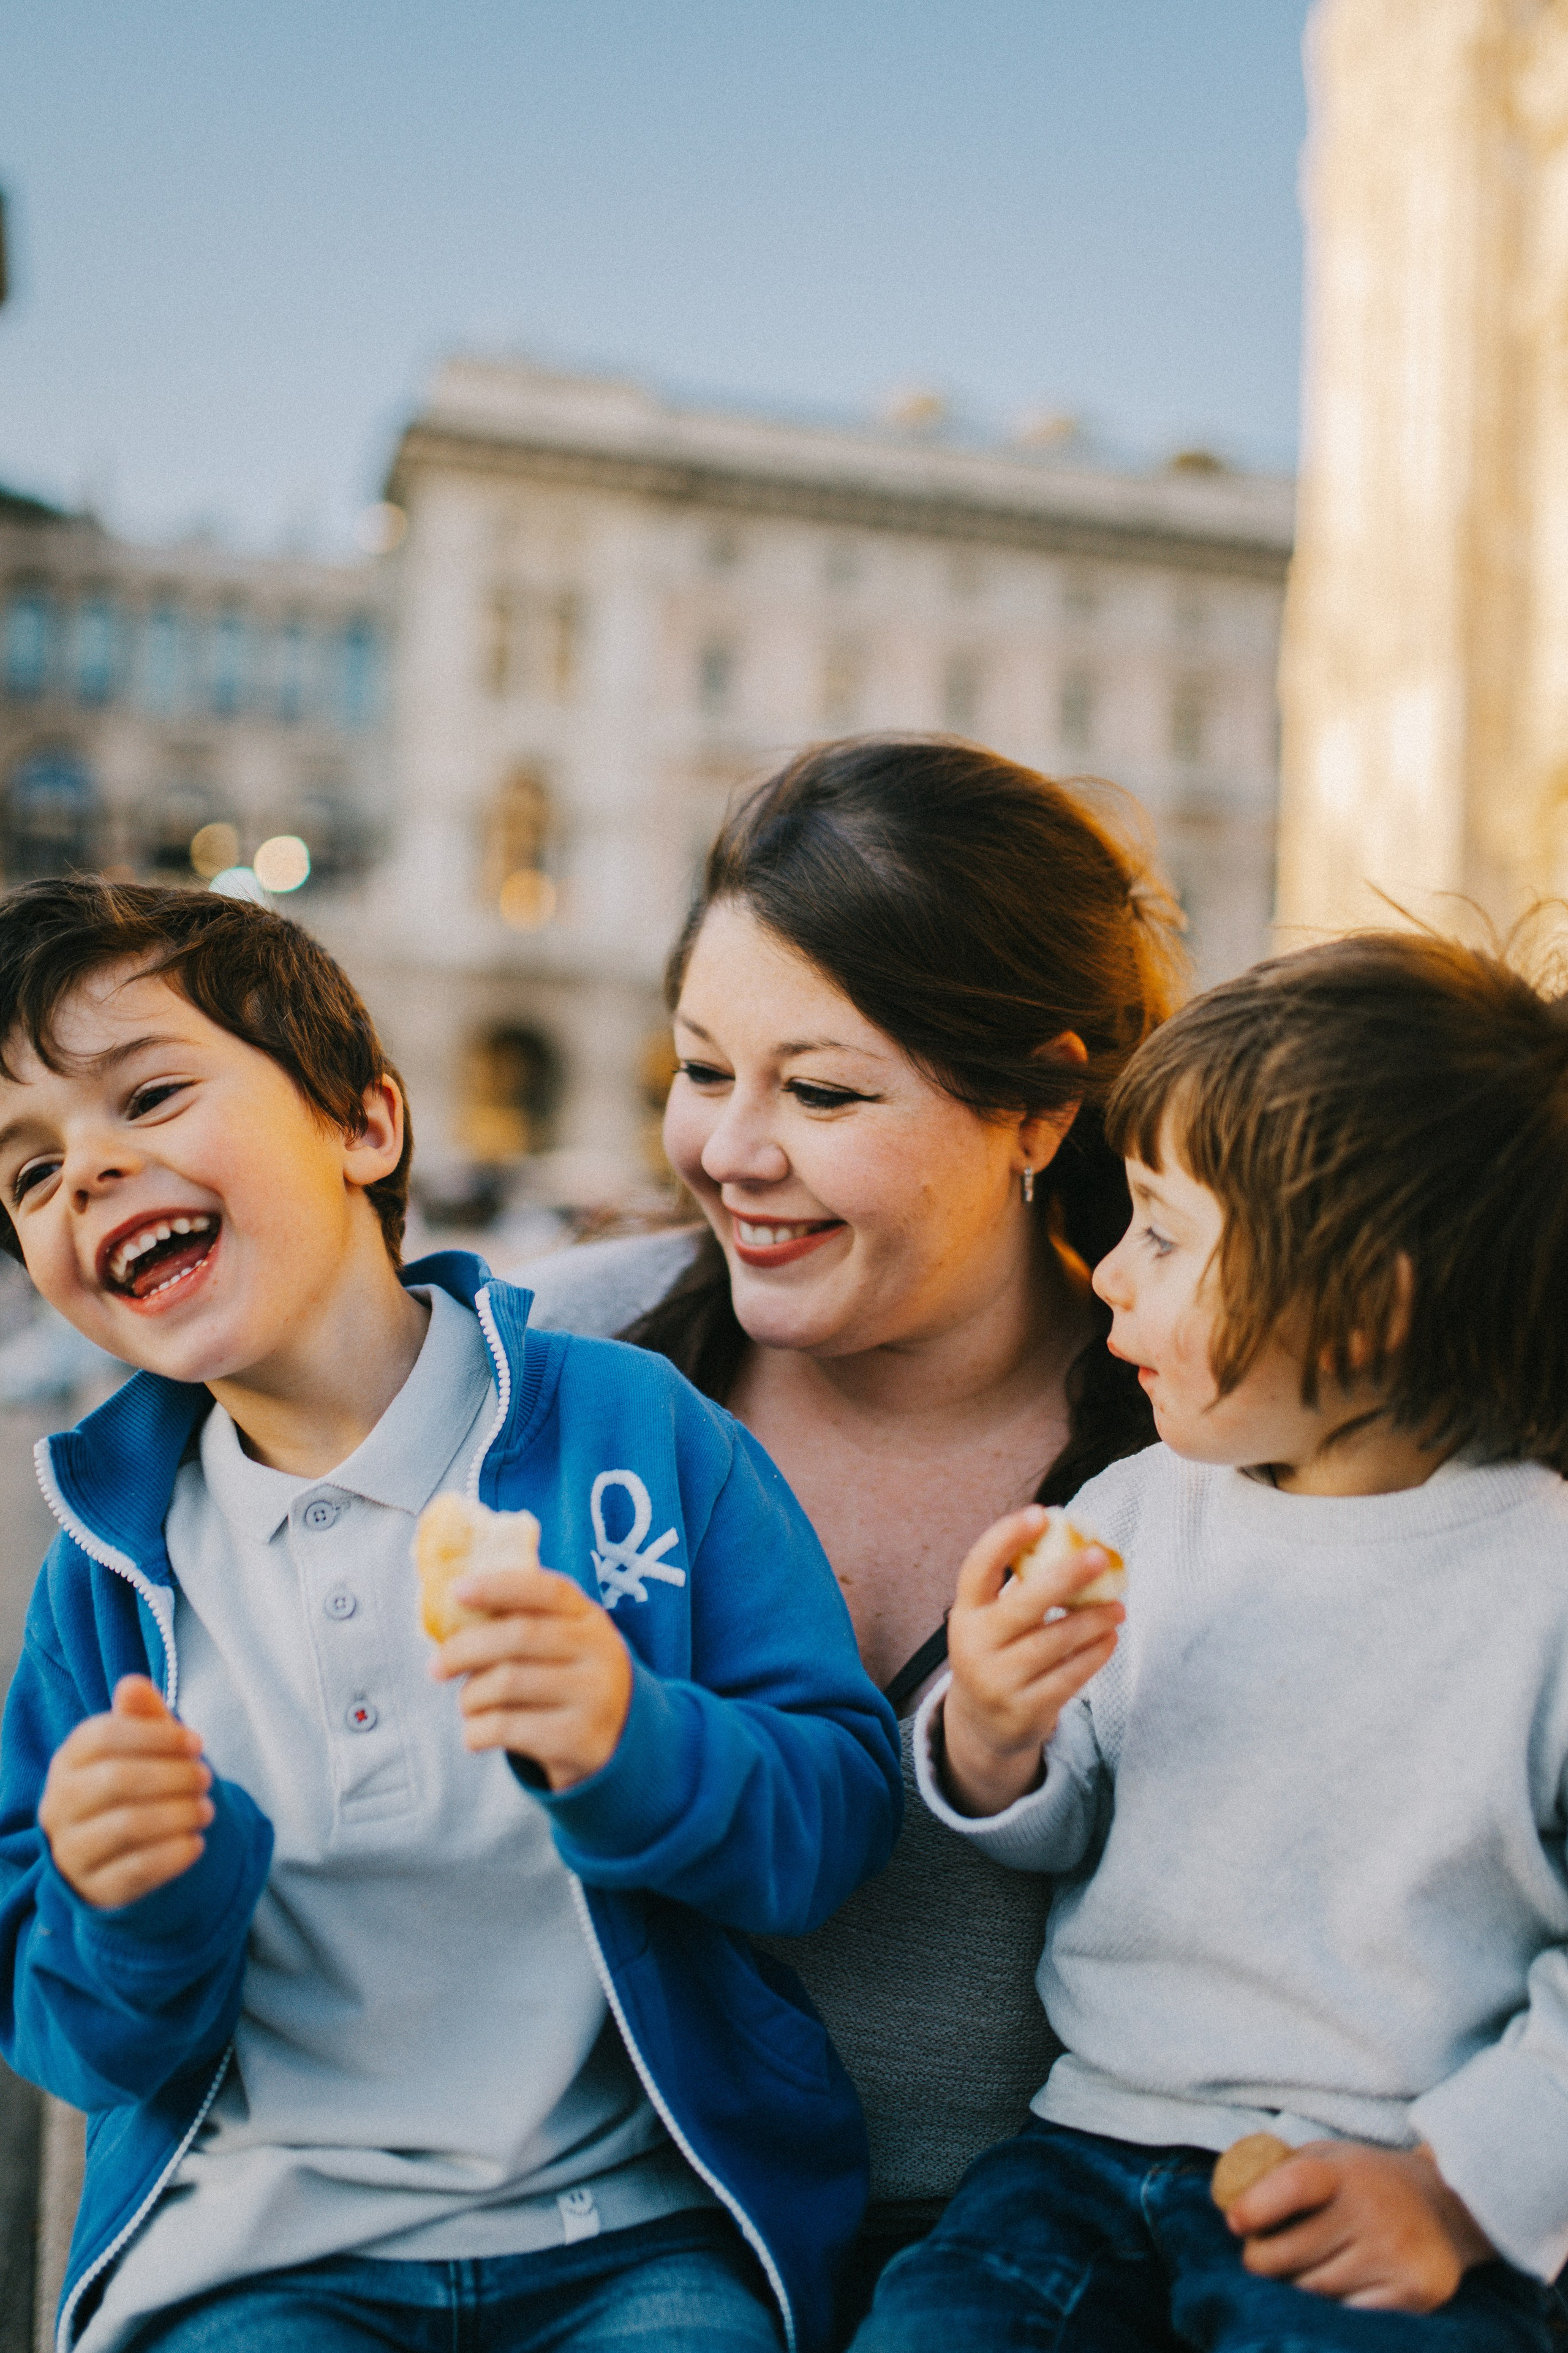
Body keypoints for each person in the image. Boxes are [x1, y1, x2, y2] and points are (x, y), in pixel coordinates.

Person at [0, 879, 900, 2353]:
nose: (86, 1173)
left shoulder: (636, 1436)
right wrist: (126, 1898)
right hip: (257, 2257)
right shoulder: (102, 1568)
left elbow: (839, 1816)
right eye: (27, 1174)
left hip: (626, 2233)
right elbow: (67, 2031)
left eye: (148, 1094)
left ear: (365, 1125)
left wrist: (635, 1743)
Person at [517, 735, 1188, 2299]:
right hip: (591, 2257)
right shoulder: (549, 1361)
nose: (730, 1153)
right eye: (698, 1070)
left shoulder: (1204, 1438)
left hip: (1037, 2280)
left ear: (1039, 1108)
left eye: (819, 1090)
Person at [855, 929, 1568, 2351]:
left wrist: (1456, 2192)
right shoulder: (1136, 1513)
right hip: (1080, 2154)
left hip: (1382, 2178)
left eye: (1163, 1234)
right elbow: (1055, 1819)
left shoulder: (1538, 1584)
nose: (1108, 1271)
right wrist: (993, 1733)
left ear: (1368, 1310)